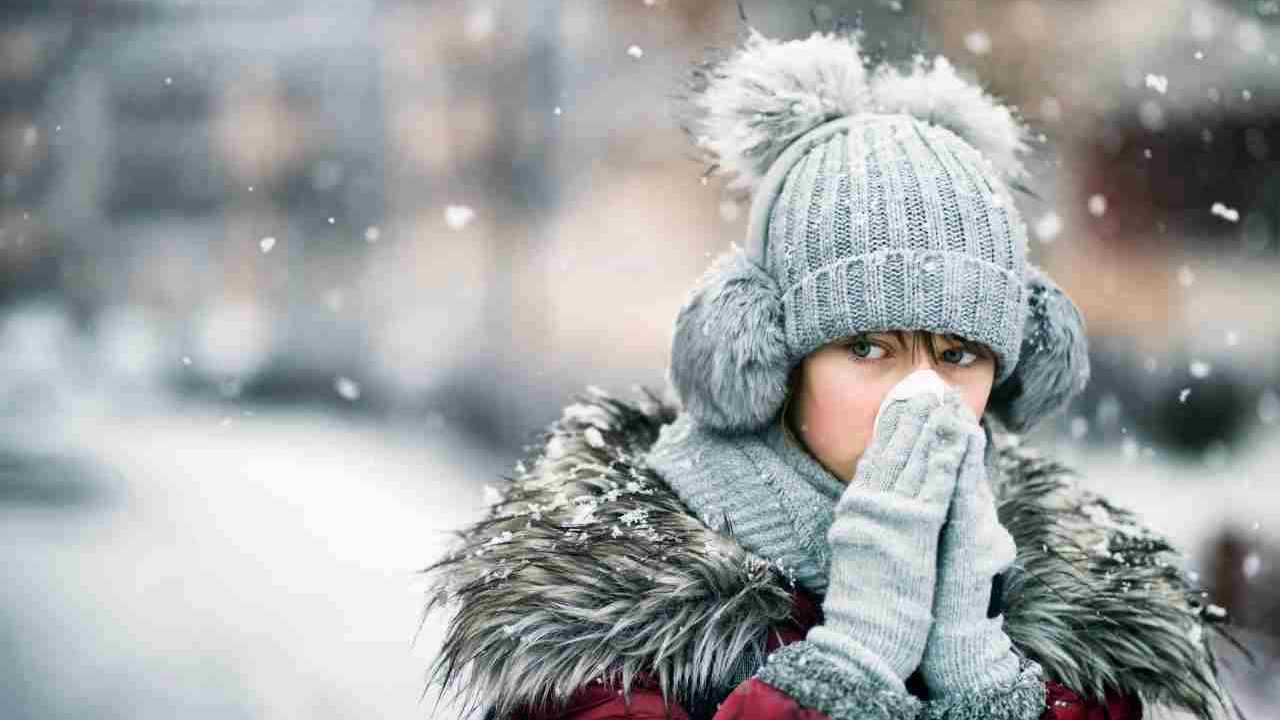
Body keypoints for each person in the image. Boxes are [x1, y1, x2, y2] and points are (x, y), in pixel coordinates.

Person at [419, 29, 1239, 720]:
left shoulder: (1069, 634)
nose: (921, 394)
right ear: (764, 355)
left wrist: (989, 684)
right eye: (868, 349)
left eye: (958, 355)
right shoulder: (611, 633)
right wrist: (846, 666)